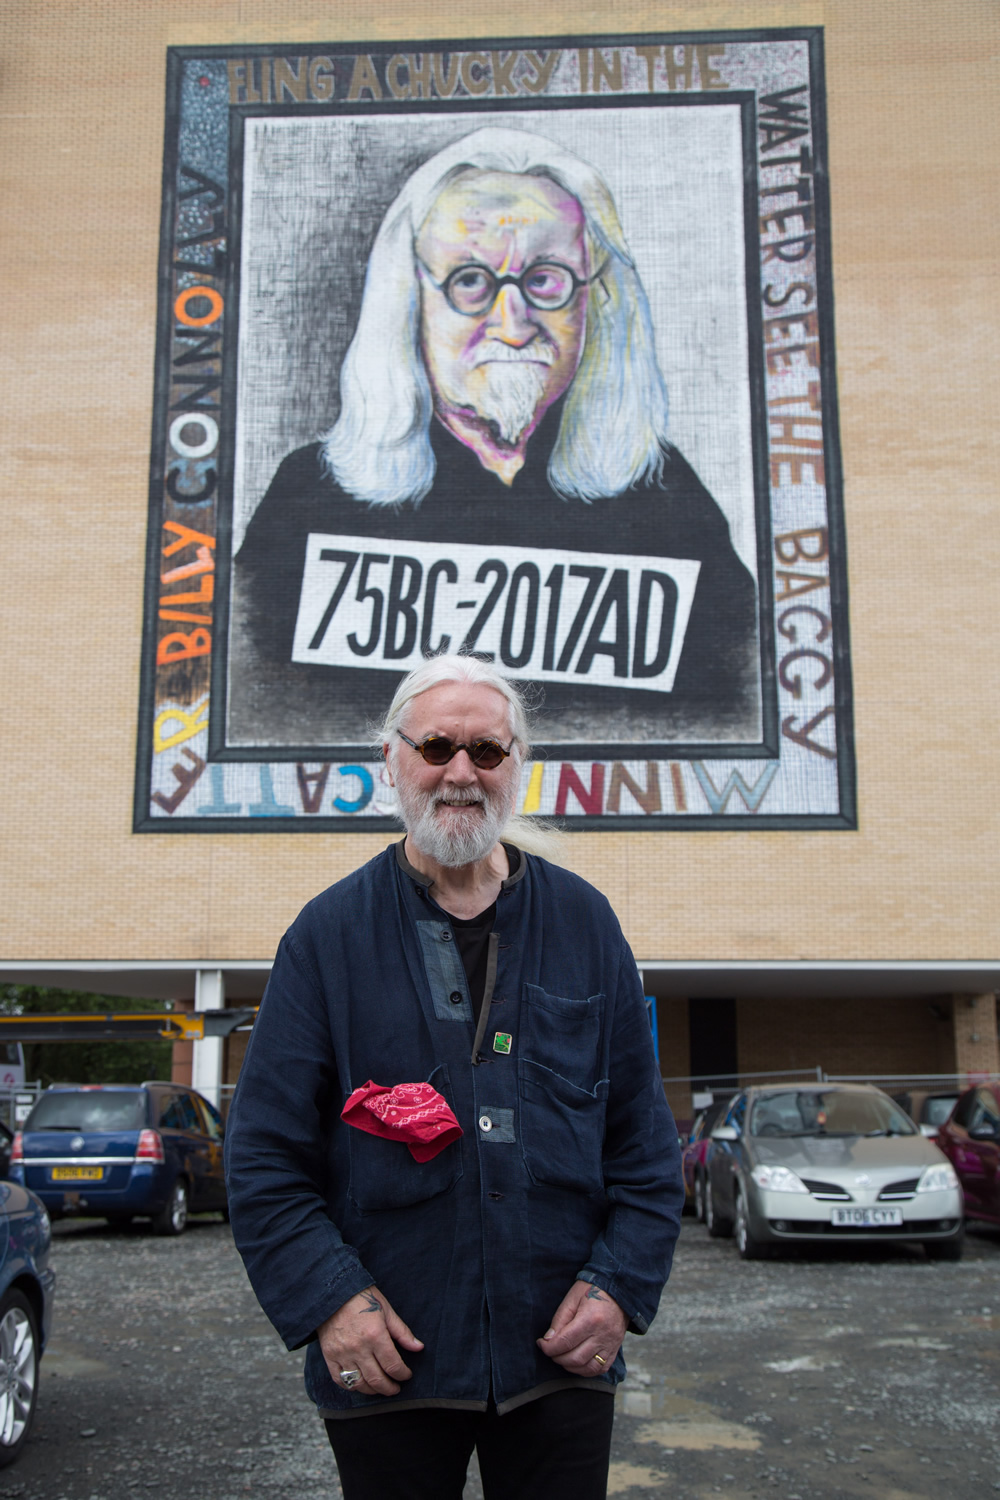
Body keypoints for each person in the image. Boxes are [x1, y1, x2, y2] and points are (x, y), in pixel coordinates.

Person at [224, 652, 684, 1500]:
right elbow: (261, 1162)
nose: (461, 773)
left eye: (487, 751)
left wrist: (619, 1286)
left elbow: (646, 1150)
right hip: (390, 1362)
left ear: (518, 767)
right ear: (391, 761)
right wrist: (332, 1303)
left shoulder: (586, 923)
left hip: (558, 1360)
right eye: (436, 748)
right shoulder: (325, 938)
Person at [230, 126, 760, 752]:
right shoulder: (313, 499)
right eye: (471, 281)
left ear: (596, 301)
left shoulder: (667, 499)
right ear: (409, 299)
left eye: (546, 279)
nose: (513, 325)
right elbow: (257, 706)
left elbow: (735, 707)